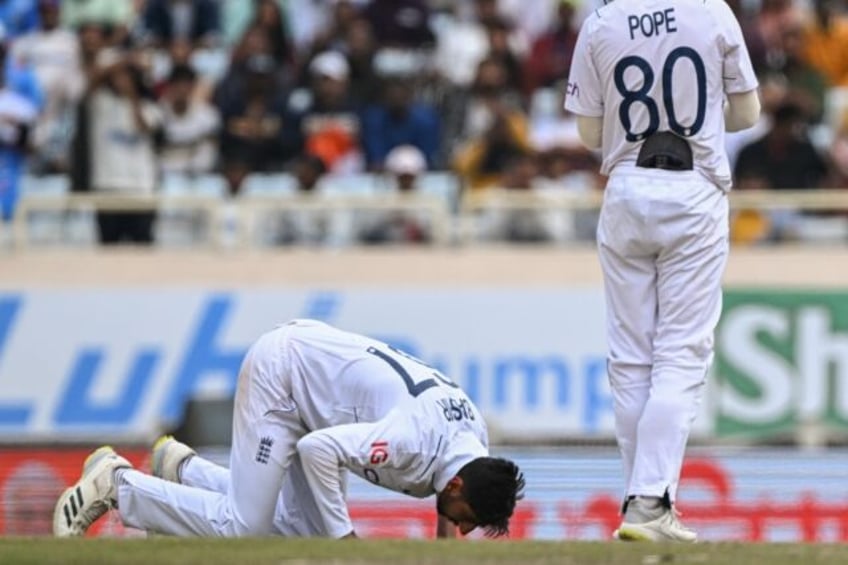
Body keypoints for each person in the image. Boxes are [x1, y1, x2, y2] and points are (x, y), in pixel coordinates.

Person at [564, 0, 760, 542]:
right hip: (693, 187)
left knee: (630, 360)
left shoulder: (601, 21)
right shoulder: (711, 11)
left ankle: (640, 506)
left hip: (626, 185)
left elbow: (587, 132)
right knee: (680, 354)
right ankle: (650, 502)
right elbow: (747, 115)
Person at [53, 319, 525, 539]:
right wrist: (348, 545)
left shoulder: (470, 446)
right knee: (245, 527)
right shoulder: (408, 441)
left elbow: (451, 491)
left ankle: (185, 470)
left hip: (318, 391)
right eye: (465, 519)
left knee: (298, 531)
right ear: (459, 483)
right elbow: (320, 450)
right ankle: (117, 484)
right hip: (285, 377)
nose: (461, 529)